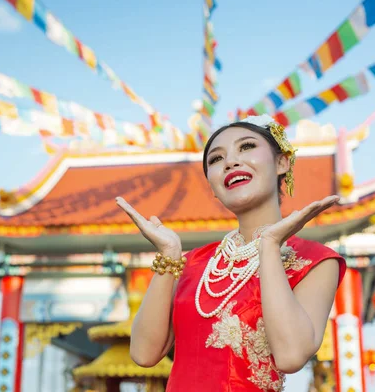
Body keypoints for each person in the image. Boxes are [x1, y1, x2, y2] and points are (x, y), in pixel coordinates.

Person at [116, 114, 347, 392]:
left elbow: (291, 355)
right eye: (216, 159)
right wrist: (169, 254)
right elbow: (143, 353)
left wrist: (270, 247)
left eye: (246, 147)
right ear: (213, 187)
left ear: (281, 162)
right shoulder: (192, 263)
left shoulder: (315, 260)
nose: (230, 162)